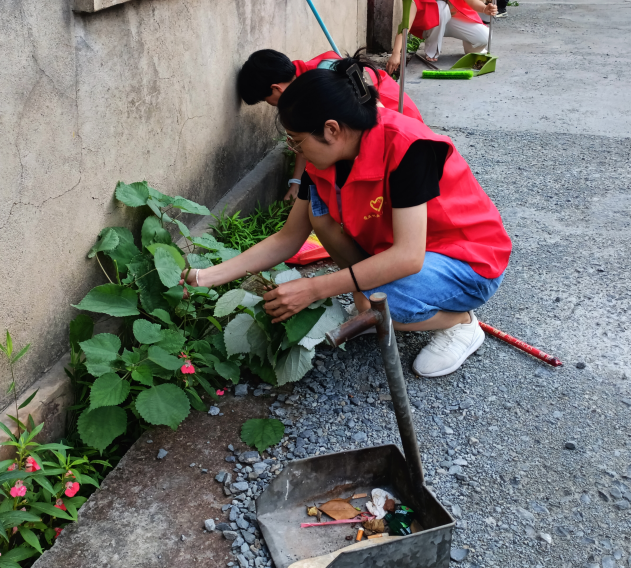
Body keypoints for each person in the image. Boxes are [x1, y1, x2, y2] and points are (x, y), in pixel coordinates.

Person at [186, 59, 511, 378]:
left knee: (371, 300)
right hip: (400, 252)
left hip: (467, 261)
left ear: (331, 129)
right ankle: (380, 308)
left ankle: (460, 323)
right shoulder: (325, 159)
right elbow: (287, 238)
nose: (294, 149)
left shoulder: (407, 146)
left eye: (297, 141)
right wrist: (205, 277)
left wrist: (314, 289)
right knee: (321, 217)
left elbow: (409, 257)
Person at [239, 48, 423, 198]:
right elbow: (307, 138)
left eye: (265, 100)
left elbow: (377, 117)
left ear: (276, 89)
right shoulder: (303, 77)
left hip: (397, 123)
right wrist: (298, 182)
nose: (271, 105)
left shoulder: (318, 86)